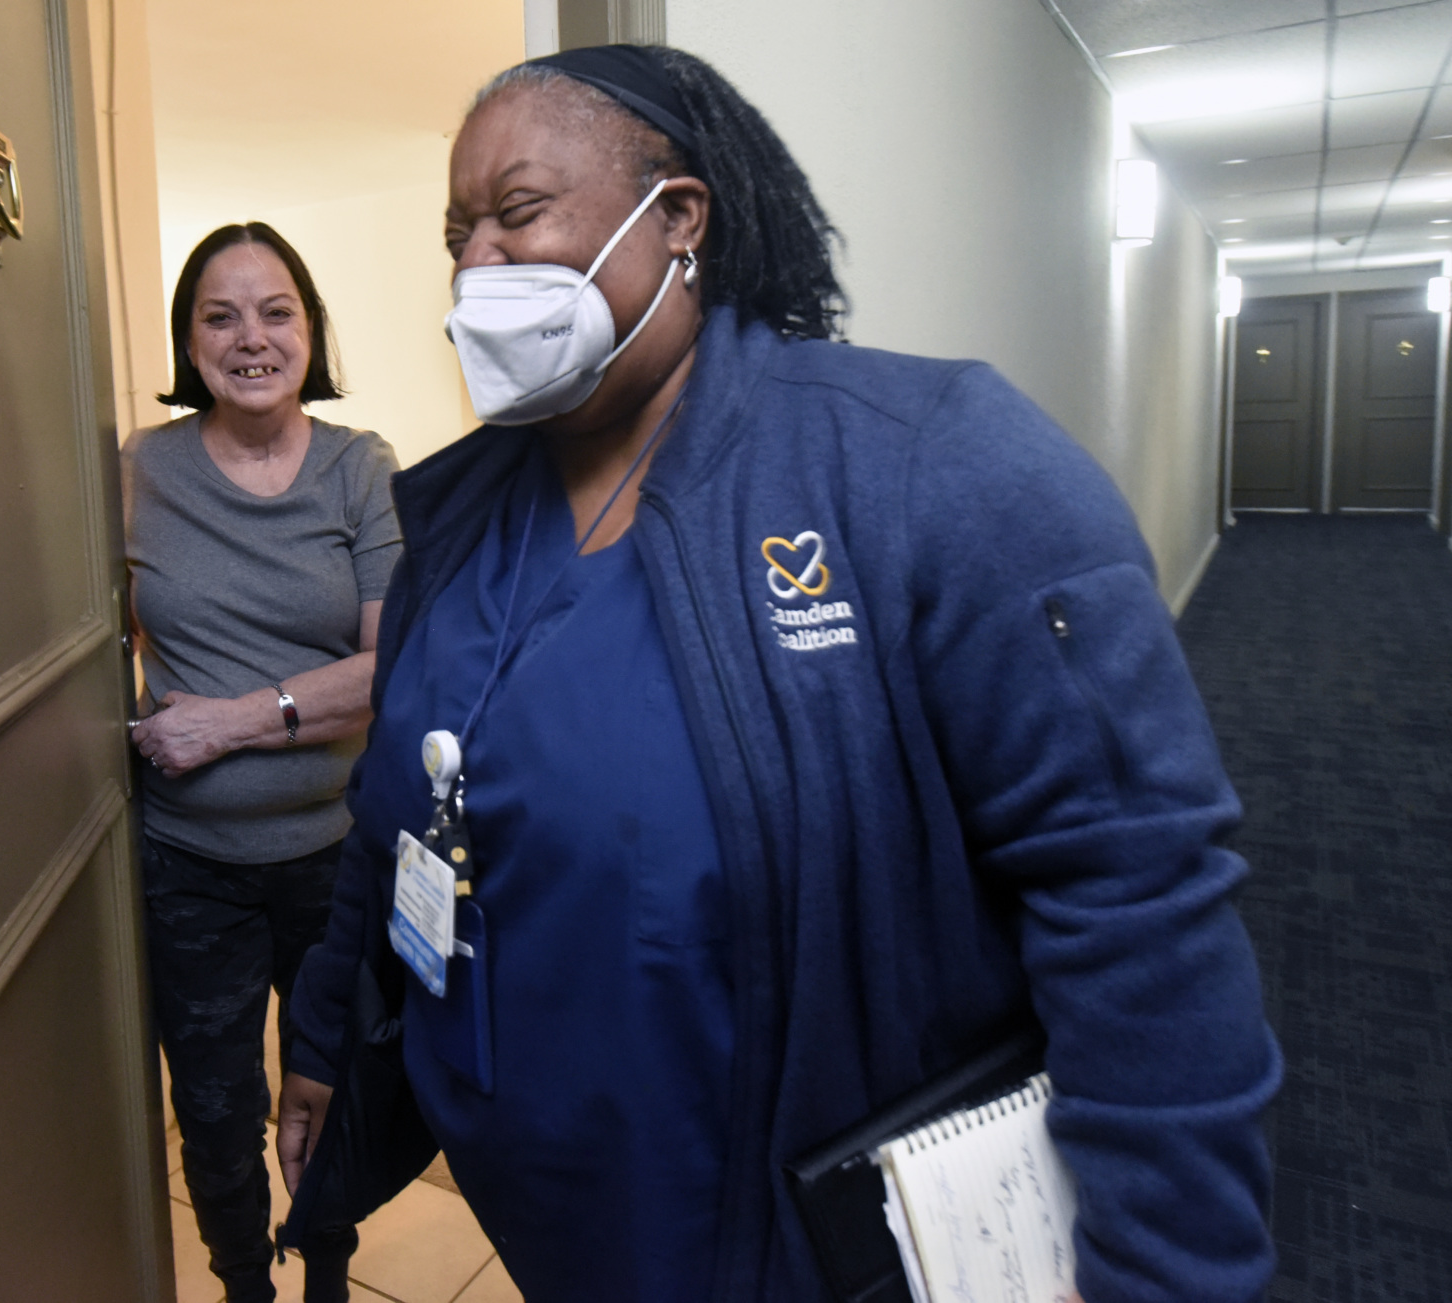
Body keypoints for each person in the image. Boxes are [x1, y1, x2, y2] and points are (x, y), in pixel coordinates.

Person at [277, 44, 1280, 1303]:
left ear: (678, 217)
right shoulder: (463, 510)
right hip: (541, 1204)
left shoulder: (928, 469)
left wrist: (1168, 1274)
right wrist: (324, 1032)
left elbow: (1137, 912)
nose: (474, 266)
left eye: (517, 214)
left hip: (778, 1242)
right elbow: (400, 812)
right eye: (456, 233)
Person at [125, 222, 399, 1303]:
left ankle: (326, 1272)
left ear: (310, 330)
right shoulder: (135, 472)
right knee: (215, 1108)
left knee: (330, 1085)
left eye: (275, 311)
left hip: (335, 855)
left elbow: (392, 669)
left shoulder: (358, 469)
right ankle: (244, 1284)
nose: (251, 338)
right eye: (219, 314)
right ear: (190, 344)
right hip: (188, 865)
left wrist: (228, 721)